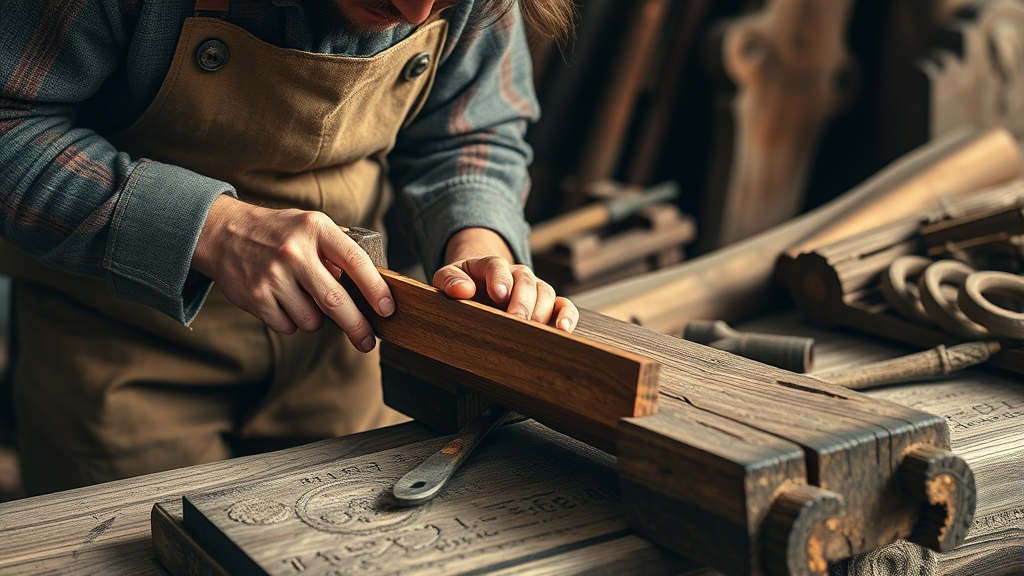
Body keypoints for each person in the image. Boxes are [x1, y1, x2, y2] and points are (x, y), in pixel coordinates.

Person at [0, 0, 577, 495]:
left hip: (344, 348)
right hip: (119, 347)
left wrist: (479, 242)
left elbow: (472, 130)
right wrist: (210, 227)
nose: (416, 13)